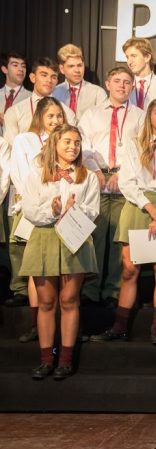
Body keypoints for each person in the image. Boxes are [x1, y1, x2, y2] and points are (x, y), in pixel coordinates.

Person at [91, 99, 156, 344]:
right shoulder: (134, 145)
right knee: (129, 269)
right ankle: (120, 326)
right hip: (138, 206)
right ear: (149, 117)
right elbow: (127, 182)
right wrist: (149, 207)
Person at [20, 124, 99, 380]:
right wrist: (52, 211)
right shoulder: (37, 174)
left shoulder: (87, 176)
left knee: (69, 299)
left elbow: (93, 211)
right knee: (46, 302)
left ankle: (65, 360)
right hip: (44, 237)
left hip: (74, 236)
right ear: (54, 144)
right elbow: (30, 210)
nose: (73, 147)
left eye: (77, 142)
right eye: (67, 141)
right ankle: (46, 359)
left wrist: (72, 210)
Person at [79, 66, 146, 307]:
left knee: (119, 241)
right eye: (117, 81)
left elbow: (142, 151)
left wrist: (121, 173)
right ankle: (90, 289)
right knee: (94, 237)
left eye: (127, 82)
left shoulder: (140, 116)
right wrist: (95, 170)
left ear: (132, 87)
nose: (122, 86)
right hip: (95, 179)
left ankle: (113, 292)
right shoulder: (91, 114)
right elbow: (82, 146)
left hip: (123, 182)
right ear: (107, 84)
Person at [9, 97, 66, 339]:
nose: (55, 120)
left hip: (61, 212)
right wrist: (41, 204)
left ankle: (63, 324)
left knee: (62, 268)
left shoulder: (66, 140)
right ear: (40, 117)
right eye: (50, 116)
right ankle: (37, 324)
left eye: (59, 115)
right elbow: (20, 175)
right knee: (38, 269)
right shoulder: (25, 140)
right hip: (33, 209)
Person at [3, 57, 76, 145]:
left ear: (57, 81)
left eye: (53, 77)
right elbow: (11, 147)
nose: (49, 80)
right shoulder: (15, 112)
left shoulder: (68, 113)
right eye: (44, 75)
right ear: (33, 77)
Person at [52, 43, 108, 119]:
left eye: (79, 65)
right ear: (62, 69)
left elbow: (103, 120)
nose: (77, 70)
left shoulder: (98, 93)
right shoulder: (54, 93)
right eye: (71, 66)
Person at [122, 37, 156, 113]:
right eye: (127, 57)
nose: (129, 62)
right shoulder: (123, 85)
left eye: (134, 56)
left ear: (147, 57)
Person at [1, 51, 29, 136]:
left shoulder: (32, 98)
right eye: (15, 65)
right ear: (5, 69)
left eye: (23, 66)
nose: (21, 69)